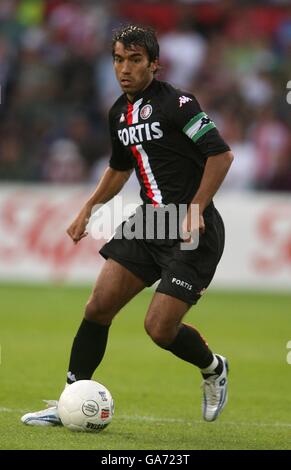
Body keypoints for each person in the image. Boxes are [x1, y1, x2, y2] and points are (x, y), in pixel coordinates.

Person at [21, 25, 234, 426]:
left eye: (135, 60)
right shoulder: (118, 112)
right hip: (150, 222)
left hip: (192, 230)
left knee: (159, 328)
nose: (125, 68)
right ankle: (68, 398)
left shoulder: (179, 103)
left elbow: (220, 156)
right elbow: (120, 168)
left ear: (154, 64)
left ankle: (213, 367)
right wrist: (89, 208)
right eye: (119, 59)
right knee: (98, 307)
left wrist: (194, 208)